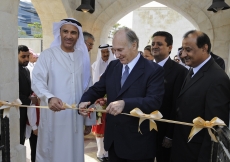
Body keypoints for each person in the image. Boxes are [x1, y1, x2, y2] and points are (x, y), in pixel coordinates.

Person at [79, 27, 165, 162]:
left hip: (138, 145)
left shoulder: (153, 70)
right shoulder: (113, 66)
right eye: (114, 50)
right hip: (113, 143)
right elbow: (98, 89)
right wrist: (85, 100)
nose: (116, 54)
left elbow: (154, 101)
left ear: (134, 45)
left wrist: (125, 104)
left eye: (120, 50)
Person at [31, 18, 96, 162]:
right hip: (53, 118)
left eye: (73, 32)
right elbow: (37, 81)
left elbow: (89, 88)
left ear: (78, 36)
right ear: (59, 33)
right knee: (53, 154)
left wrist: (89, 121)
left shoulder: (83, 58)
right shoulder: (48, 55)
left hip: (76, 120)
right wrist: (49, 97)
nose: (69, 36)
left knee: (74, 154)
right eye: (65, 31)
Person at [171, 30, 230, 162]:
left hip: (195, 154)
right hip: (182, 148)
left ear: (204, 48)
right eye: (182, 49)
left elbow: (214, 130)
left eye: (188, 50)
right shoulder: (193, 69)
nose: (183, 54)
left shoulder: (217, 79)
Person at [151, 31, 188, 162]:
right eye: (153, 43)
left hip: (164, 133)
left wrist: (170, 135)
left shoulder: (180, 72)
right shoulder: (145, 69)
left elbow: (177, 106)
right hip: (144, 131)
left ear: (170, 47)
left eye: (159, 44)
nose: (155, 46)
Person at [18, 45, 38, 146]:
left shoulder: (25, 70)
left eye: (27, 56)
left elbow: (28, 89)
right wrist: (30, 100)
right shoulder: (14, 71)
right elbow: (15, 94)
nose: (26, 59)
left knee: (23, 138)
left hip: (26, 110)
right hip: (17, 111)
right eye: (23, 57)